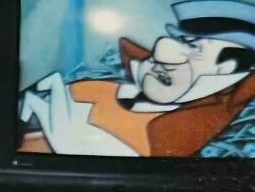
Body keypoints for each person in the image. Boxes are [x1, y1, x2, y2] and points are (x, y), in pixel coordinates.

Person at [20, 0, 255, 156]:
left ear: (227, 69)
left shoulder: (190, 129)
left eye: (194, 47)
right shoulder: (96, 88)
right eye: (182, 41)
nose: (166, 52)